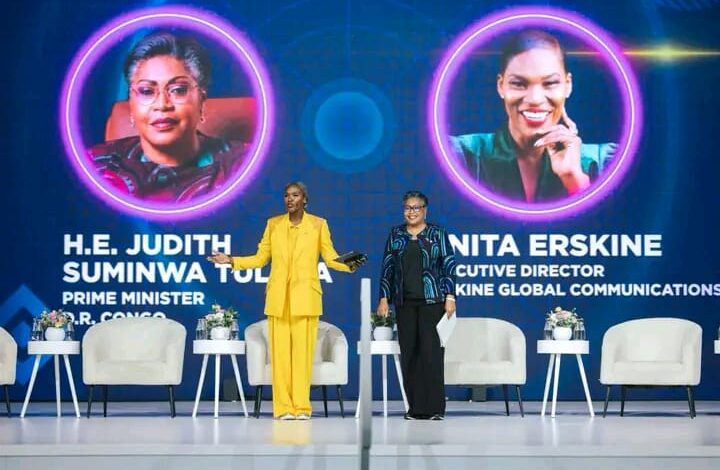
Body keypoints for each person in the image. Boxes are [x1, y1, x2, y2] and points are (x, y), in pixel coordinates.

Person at [207, 182, 362, 419]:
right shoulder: (274, 225)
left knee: (302, 357)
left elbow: (331, 258)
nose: (290, 199)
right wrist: (231, 260)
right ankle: (283, 409)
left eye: (295, 195)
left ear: (305, 199)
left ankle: (301, 408)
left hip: (306, 298)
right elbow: (260, 259)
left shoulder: (318, 224)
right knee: (280, 358)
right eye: (287, 195)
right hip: (278, 299)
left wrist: (349, 264)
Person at [450, 30, 616, 203]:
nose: (535, 99)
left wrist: (575, 180)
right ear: (501, 86)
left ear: (567, 85)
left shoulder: (604, 163)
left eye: (550, 83)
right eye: (519, 84)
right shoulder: (460, 156)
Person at [89, 31, 248, 203]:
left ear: (201, 101)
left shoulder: (243, 167)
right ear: (131, 105)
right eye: (147, 91)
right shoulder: (95, 166)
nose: (162, 104)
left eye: (178, 90)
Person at [377, 191, 457, 420]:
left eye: (416, 208)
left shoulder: (437, 233)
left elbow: (449, 265)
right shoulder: (396, 234)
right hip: (405, 303)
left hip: (433, 302)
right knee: (410, 355)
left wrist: (450, 296)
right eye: (407, 208)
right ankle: (415, 409)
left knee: (431, 355)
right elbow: (387, 268)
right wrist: (384, 298)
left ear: (424, 210)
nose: (411, 212)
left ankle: (435, 409)